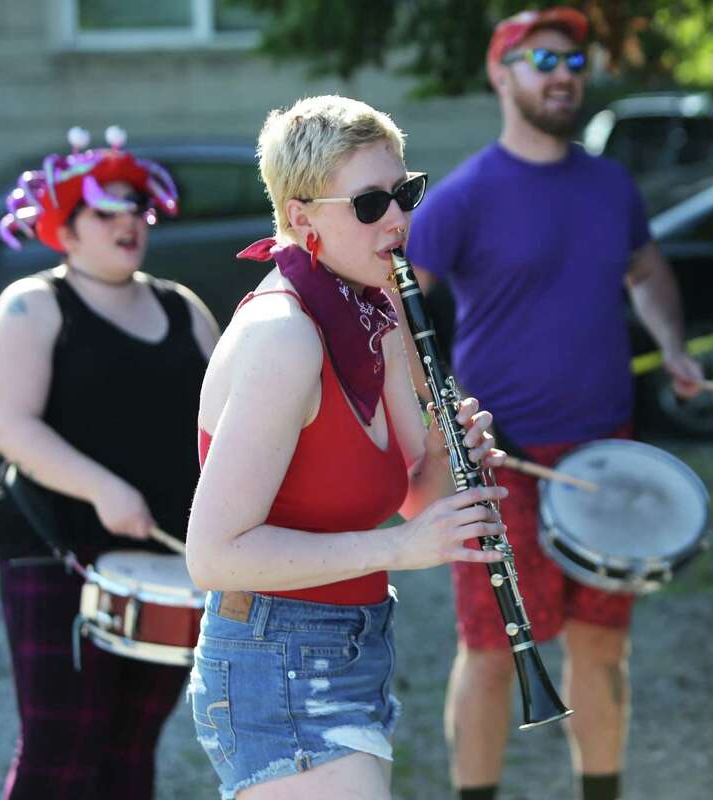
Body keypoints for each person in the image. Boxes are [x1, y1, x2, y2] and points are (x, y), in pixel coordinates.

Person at [405, 8, 704, 800]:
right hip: (504, 464)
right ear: (501, 75)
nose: (564, 72)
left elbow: (645, 272)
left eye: (573, 60)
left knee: (603, 647)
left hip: (607, 451)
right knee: (494, 650)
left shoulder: (611, 183)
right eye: (542, 59)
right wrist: (435, 416)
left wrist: (672, 344)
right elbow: (398, 309)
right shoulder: (461, 195)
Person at [185, 94, 509, 800]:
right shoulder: (284, 335)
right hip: (274, 654)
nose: (398, 218)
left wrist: (448, 457)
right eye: (369, 205)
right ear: (301, 218)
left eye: (405, 194)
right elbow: (212, 556)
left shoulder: (376, 308)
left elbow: (411, 496)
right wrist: (402, 549)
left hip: (353, 642)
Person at [0, 126, 220, 799]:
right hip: (53, 543)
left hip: (166, 557)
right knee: (62, 742)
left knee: (130, 746)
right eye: (103, 212)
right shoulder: (31, 306)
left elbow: (223, 425)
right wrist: (104, 488)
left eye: (134, 210)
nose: (126, 223)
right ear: (65, 230)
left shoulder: (184, 308)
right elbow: (9, 428)